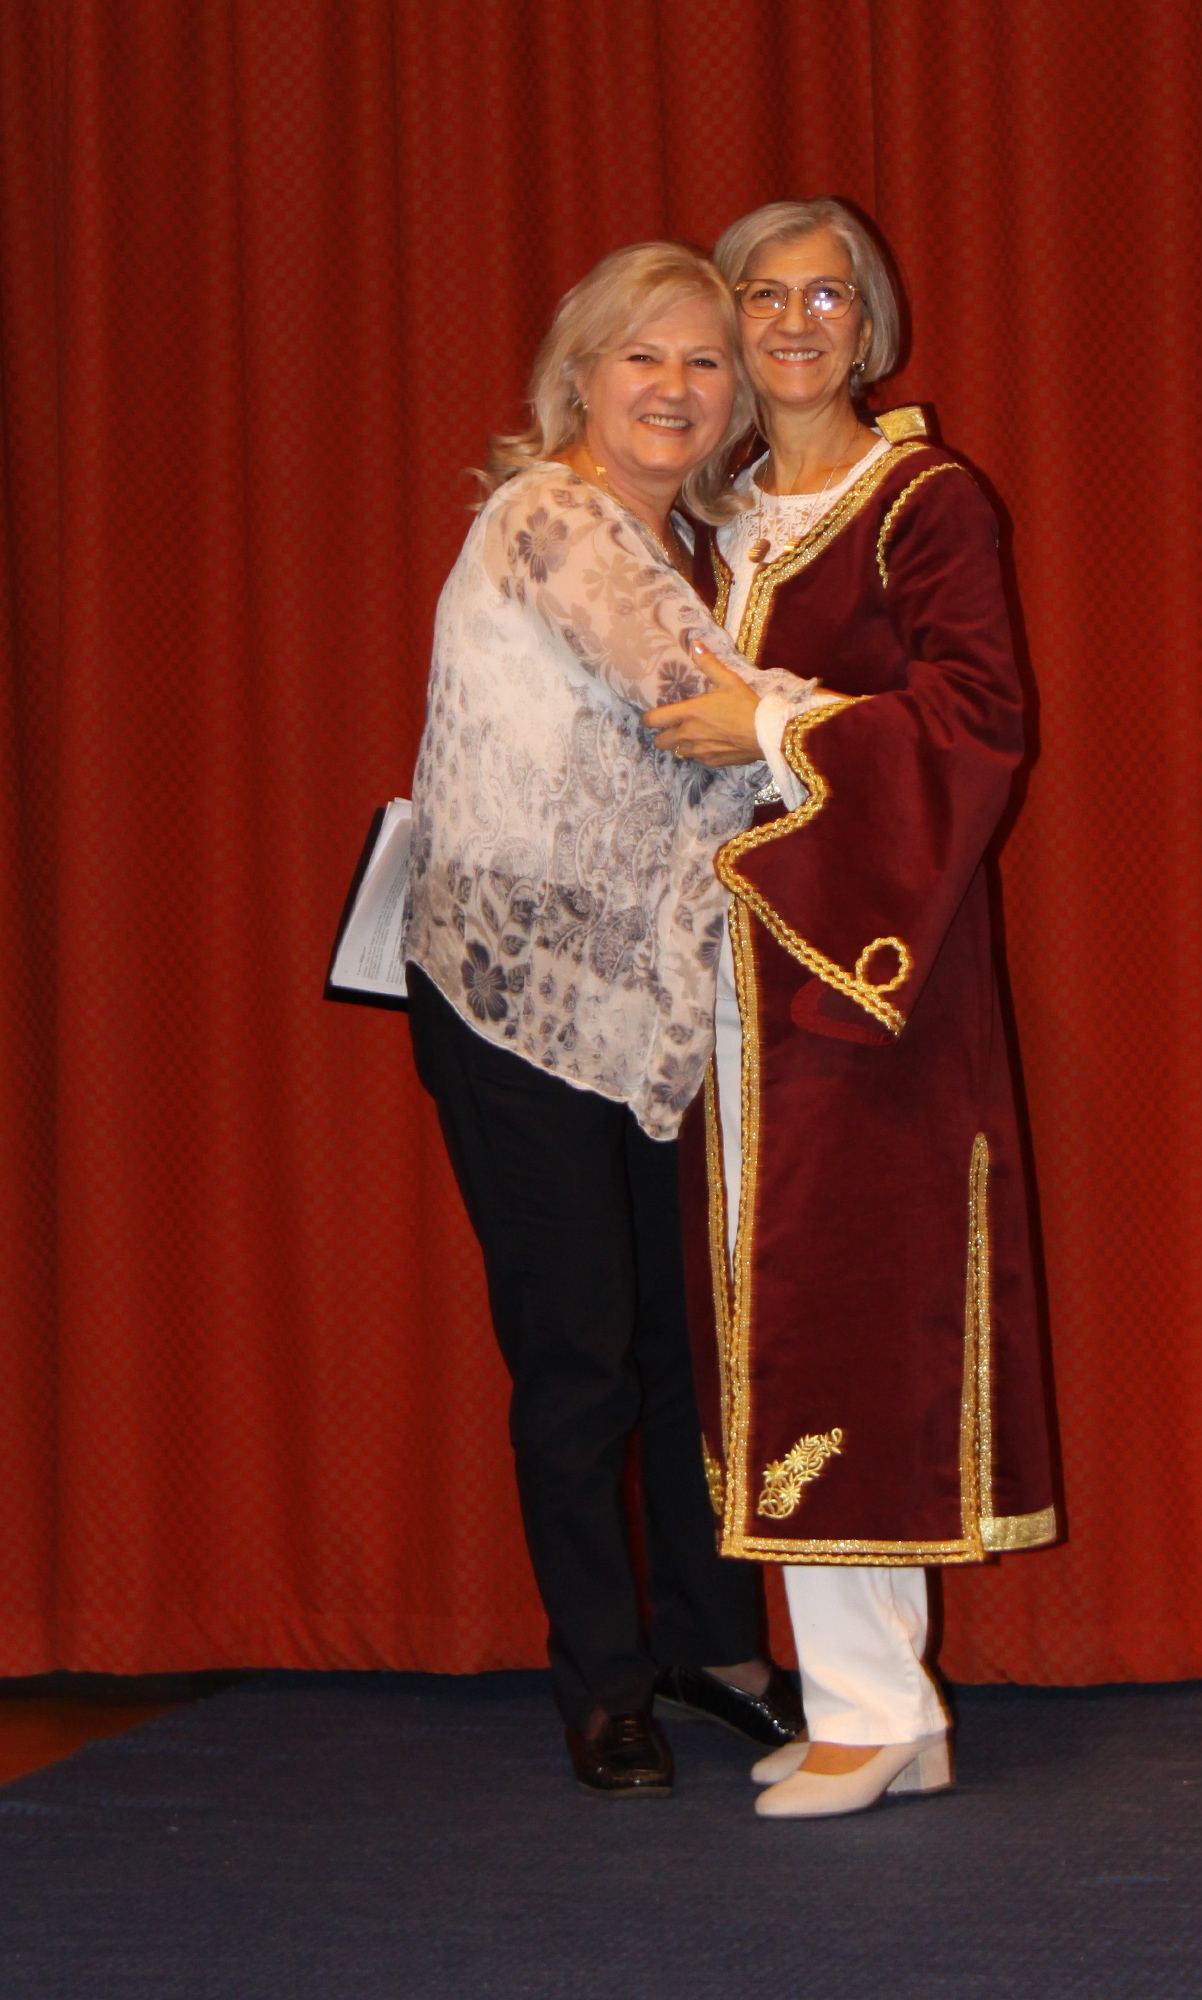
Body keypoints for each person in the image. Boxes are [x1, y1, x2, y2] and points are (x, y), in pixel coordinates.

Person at [643, 199, 1057, 1819]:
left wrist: (772, 724)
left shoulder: (919, 502)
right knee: (774, 1313)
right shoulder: (717, 512)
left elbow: (976, 718)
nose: (795, 322)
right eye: (765, 295)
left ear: (868, 323)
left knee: (854, 1314)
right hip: (735, 983)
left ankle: (871, 1708)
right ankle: (886, 1706)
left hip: (863, 981)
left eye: (827, 296)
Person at [403, 242, 811, 1799]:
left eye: (705, 362)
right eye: (645, 355)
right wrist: (878, 725)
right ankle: (603, 1683)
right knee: (579, 1352)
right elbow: (691, 699)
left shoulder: (680, 543)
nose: (676, 387)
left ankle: (714, 1656)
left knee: (679, 1349)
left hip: (650, 1008)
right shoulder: (557, 518)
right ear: (578, 374)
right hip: (516, 1002)